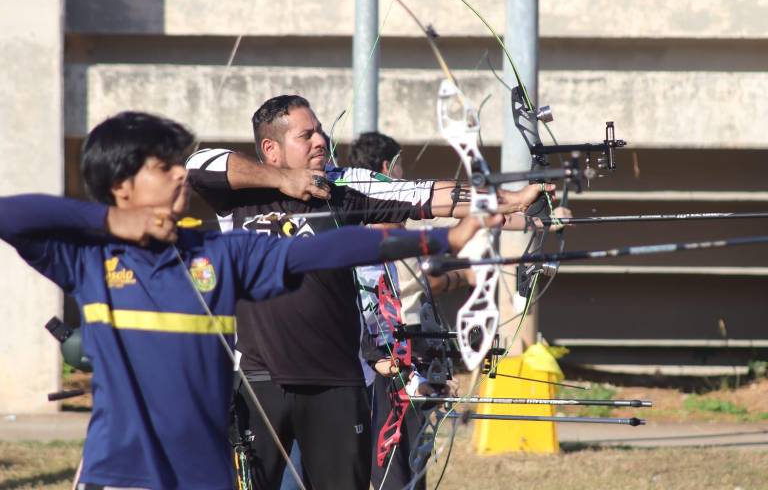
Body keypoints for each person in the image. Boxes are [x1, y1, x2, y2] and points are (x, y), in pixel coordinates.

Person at [0, 111, 491, 490]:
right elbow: (10, 215)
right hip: (119, 471)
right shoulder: (89, 258)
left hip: (204, 476)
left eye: (179, 165)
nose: (180, 176)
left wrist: (441, 239)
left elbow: (323, 249)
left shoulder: (219, 254)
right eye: (163, 167)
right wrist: (110, 223)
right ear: (121, 185)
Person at [185, 95, 552, 490]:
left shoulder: (342, 186)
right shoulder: (236, 197)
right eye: (305, 135)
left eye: (320, 131)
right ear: (270, 149)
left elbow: (425, 194)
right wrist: (283, 180)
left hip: (336, 383)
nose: (320, 141)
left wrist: (510, 199)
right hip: (259, 379)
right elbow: (197, 164)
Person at [347, 131, 573, 489]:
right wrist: (468, 271)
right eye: (402, 168)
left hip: (400, 365)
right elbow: (431, 271)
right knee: (394, 472)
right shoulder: (382, 239)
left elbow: (467, 224)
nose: (406, 177)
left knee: (407, 468)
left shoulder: (368, 231)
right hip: (391, 367)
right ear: (388, 169)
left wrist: (537, 218)